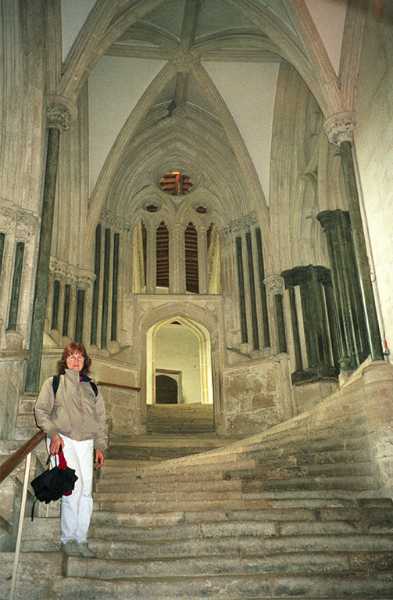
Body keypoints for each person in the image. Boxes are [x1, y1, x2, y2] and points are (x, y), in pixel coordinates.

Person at [35, 341, 106, 557]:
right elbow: (41, 411)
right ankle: (67, 539)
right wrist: (53, 433)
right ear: (65, 360)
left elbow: (101, 419)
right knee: (72, 489)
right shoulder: (54, 383)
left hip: (86, 442)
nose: (75, 360)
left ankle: (81, 539)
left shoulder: (92, 387)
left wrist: (100, 445)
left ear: (85, 361)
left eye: (80, 357)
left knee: (86, 492)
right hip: (63, 441)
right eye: (71, 356)